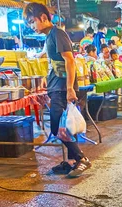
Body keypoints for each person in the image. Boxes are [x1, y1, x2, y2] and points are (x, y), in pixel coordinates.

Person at [24, 3, 91, 177]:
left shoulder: (58, 34)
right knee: (64, 125)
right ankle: (71, 162)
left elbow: (70, 61)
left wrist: (70, 88)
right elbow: (55, 64)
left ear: (43, 17)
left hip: (62, 88)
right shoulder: (49, 37)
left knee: (57, 126)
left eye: (32, 22)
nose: (32, 26)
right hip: (56, 86)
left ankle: (81, 158)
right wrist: (47, 81)